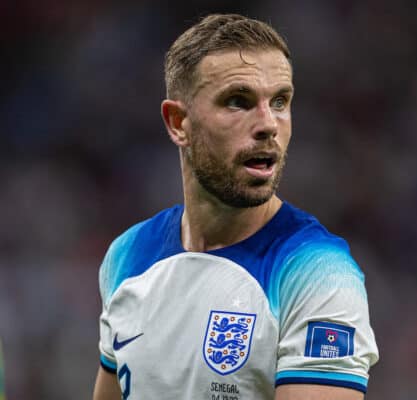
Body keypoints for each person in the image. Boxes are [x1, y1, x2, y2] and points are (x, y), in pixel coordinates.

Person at [92, 13, 378, 400]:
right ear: (178, 123)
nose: (268, 124)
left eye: (280, 101)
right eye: (238, 101)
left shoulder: (318, 274)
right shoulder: (127, 256)